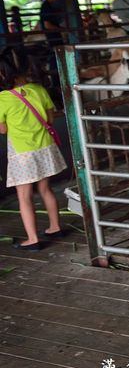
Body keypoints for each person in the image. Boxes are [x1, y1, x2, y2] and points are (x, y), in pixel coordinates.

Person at [0, 48, 67, 251]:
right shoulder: (39, 90)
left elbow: (2, 130)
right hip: (45, 147)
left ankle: (32, 239)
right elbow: (49, 118)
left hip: (23, 154)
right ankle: (55, 227)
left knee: (24, 196)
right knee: (45, 189)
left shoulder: (3, 98)